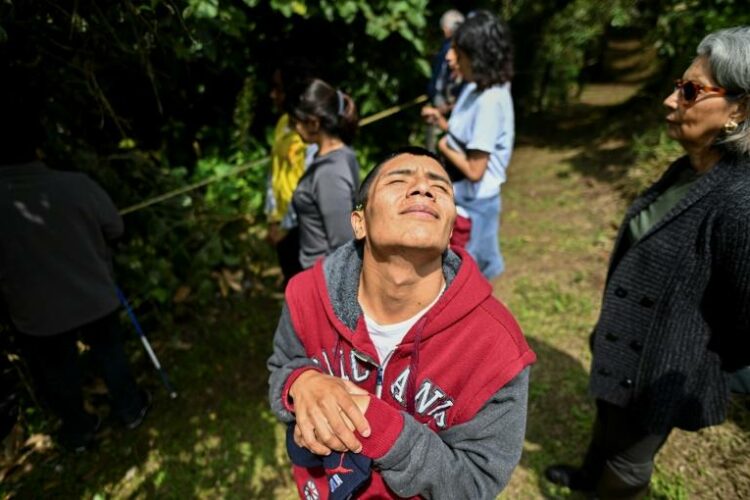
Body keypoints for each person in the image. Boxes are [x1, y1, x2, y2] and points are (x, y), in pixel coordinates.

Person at [545, 26, 750, 498]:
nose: (670, 100)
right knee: (607, 425)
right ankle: (585, 477)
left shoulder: (739, 202)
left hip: (662, 369)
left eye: (691, 91)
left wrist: (689, 352)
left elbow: (743, 321)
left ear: (738, 109)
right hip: (625, 351)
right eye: (679, 86)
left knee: (629, 459)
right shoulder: (690, 166)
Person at [268, 147, 536, 498]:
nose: (423, 188)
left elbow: (474, 483)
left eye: (439, 187)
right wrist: (300, 383)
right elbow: (281, 367)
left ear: (451, 225)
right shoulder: (305, 296)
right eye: (399, 180)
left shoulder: (497, 347)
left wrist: (383, 430)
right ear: (359, 221)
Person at [0, 83, 149, 453]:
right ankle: (130, 408)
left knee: (57, 372)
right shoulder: (75, 186)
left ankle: (79, 429)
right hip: (92, 295)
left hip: (37, 314)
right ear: (38, 145)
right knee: (110, 353)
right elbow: (115, 227)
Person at [421, 10, 515, 280]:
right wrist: (443, 123)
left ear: (477, 56)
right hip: (462, 201)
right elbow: (470, 136)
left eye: (457, 51)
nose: (449, 58)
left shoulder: (489, 100)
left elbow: (475, 169)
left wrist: (444, 146)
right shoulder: (474, 89)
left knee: (463, 282)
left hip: (473, 210)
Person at [288, 78, 361, 269]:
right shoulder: (338, 156)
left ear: (313, 123)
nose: (294, 128)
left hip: (323, 282)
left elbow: (342, 245)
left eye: (296, 122)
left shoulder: (331, 171)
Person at [266, 59, 317, 285]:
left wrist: (287, 227)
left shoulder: (309, 132)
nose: (273, 95)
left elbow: (308, 182)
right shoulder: (282, 123)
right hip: (284, 226)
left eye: (278, 88)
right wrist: (272, 217)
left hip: (301, 227)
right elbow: (274, 173)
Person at [425, 9, 465, 152]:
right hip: (444, 105)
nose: (449, 56)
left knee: (446, 145)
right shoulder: (449, 47)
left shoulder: (457, 47)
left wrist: (444, 106)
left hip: (447, 106)